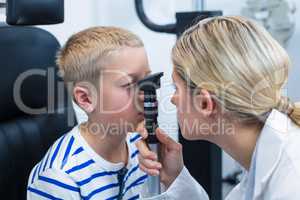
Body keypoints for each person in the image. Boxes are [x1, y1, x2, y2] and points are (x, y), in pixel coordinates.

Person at [136, 16, 300, 200]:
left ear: (205, 103)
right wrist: (174, 177)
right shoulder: (263, 163)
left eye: (176, 88)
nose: (173, 100)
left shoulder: (291, 183)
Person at [27, 26, 151, 199]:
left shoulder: (141, 145)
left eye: (148, 80)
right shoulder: (60, 177)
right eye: (129, 84)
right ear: (86, 99)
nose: (147, 93)